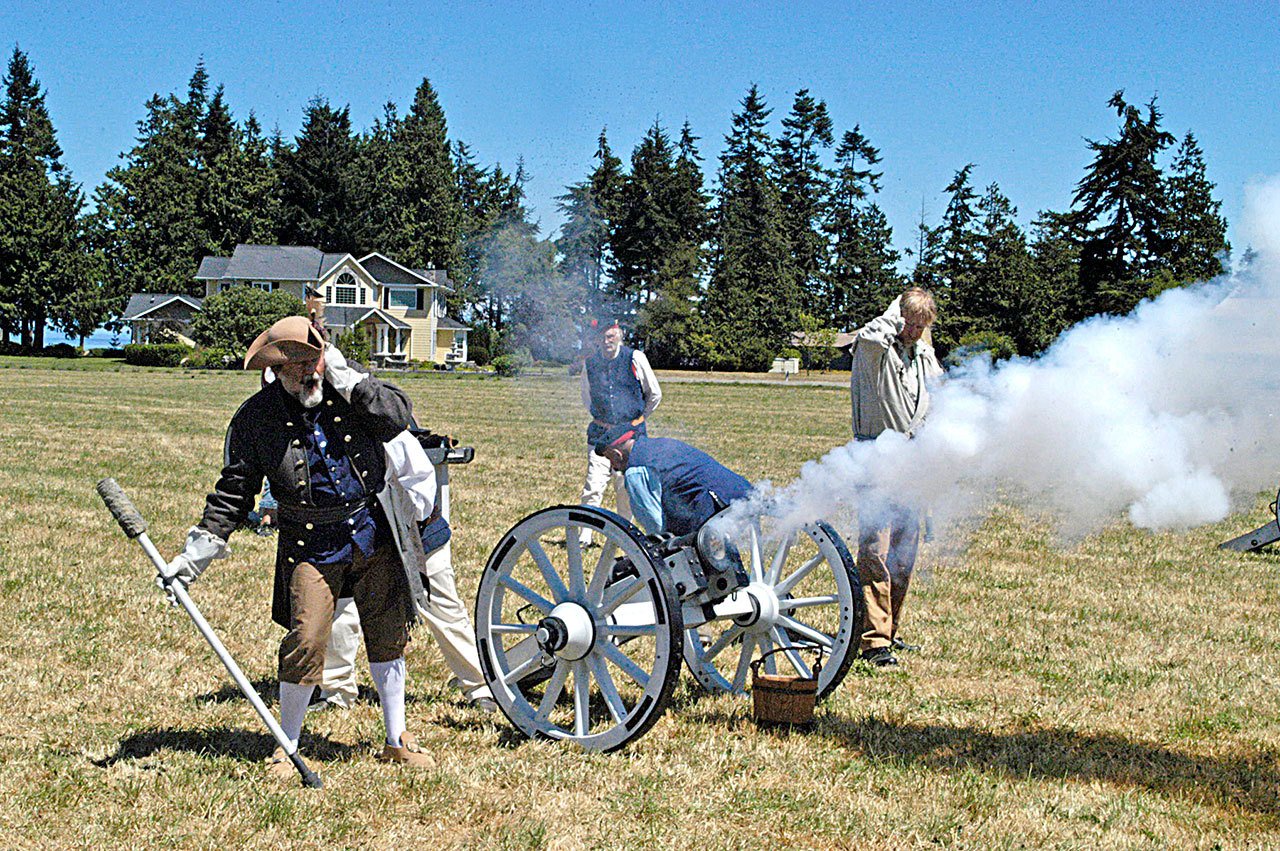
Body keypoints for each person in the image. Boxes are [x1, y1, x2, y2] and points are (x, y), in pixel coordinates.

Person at [164, 315, 432, 776]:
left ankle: (396, 738)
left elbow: (399, 416)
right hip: (310, 542)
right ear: (277, 369)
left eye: (316, 361)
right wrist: (194, 557)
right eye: (299, 365)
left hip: (374, 530)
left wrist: (350, 379)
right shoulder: (256, 418)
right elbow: (234, 492)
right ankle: (288, 746)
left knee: (388, 635)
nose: (310, 372)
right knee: (306, 640)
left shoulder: (350, 393)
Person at [849, 287, 942, 667]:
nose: (916, 332)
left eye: (923, 326)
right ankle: (871, 641)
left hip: (910, 464)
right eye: (912, 324)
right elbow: (869, 335)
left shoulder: (921, 354)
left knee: (905, 552)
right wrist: (896, 315)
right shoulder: (875, 349)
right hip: (876, 459)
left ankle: (890, 631)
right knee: (876, 552)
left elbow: (938, 387)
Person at [578, 322, 661, 545]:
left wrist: (636, 421)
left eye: (611, 336)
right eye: (603, 337)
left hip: (630, 436)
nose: (607, 341)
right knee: (593, 485)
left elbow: (654, 394)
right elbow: (586, 396)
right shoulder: (591, 363)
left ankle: (623, 535)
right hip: (600, 434)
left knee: (625, 486)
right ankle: (584, 536)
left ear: (619, 337)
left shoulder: (635, 358)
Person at [595, 425, 751, 538]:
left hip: (711, 507)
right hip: (740, 494)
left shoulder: (635, 470)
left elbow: (655, 525)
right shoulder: (661, 444)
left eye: (610, 459)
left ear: (617, 455)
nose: (612, 466)